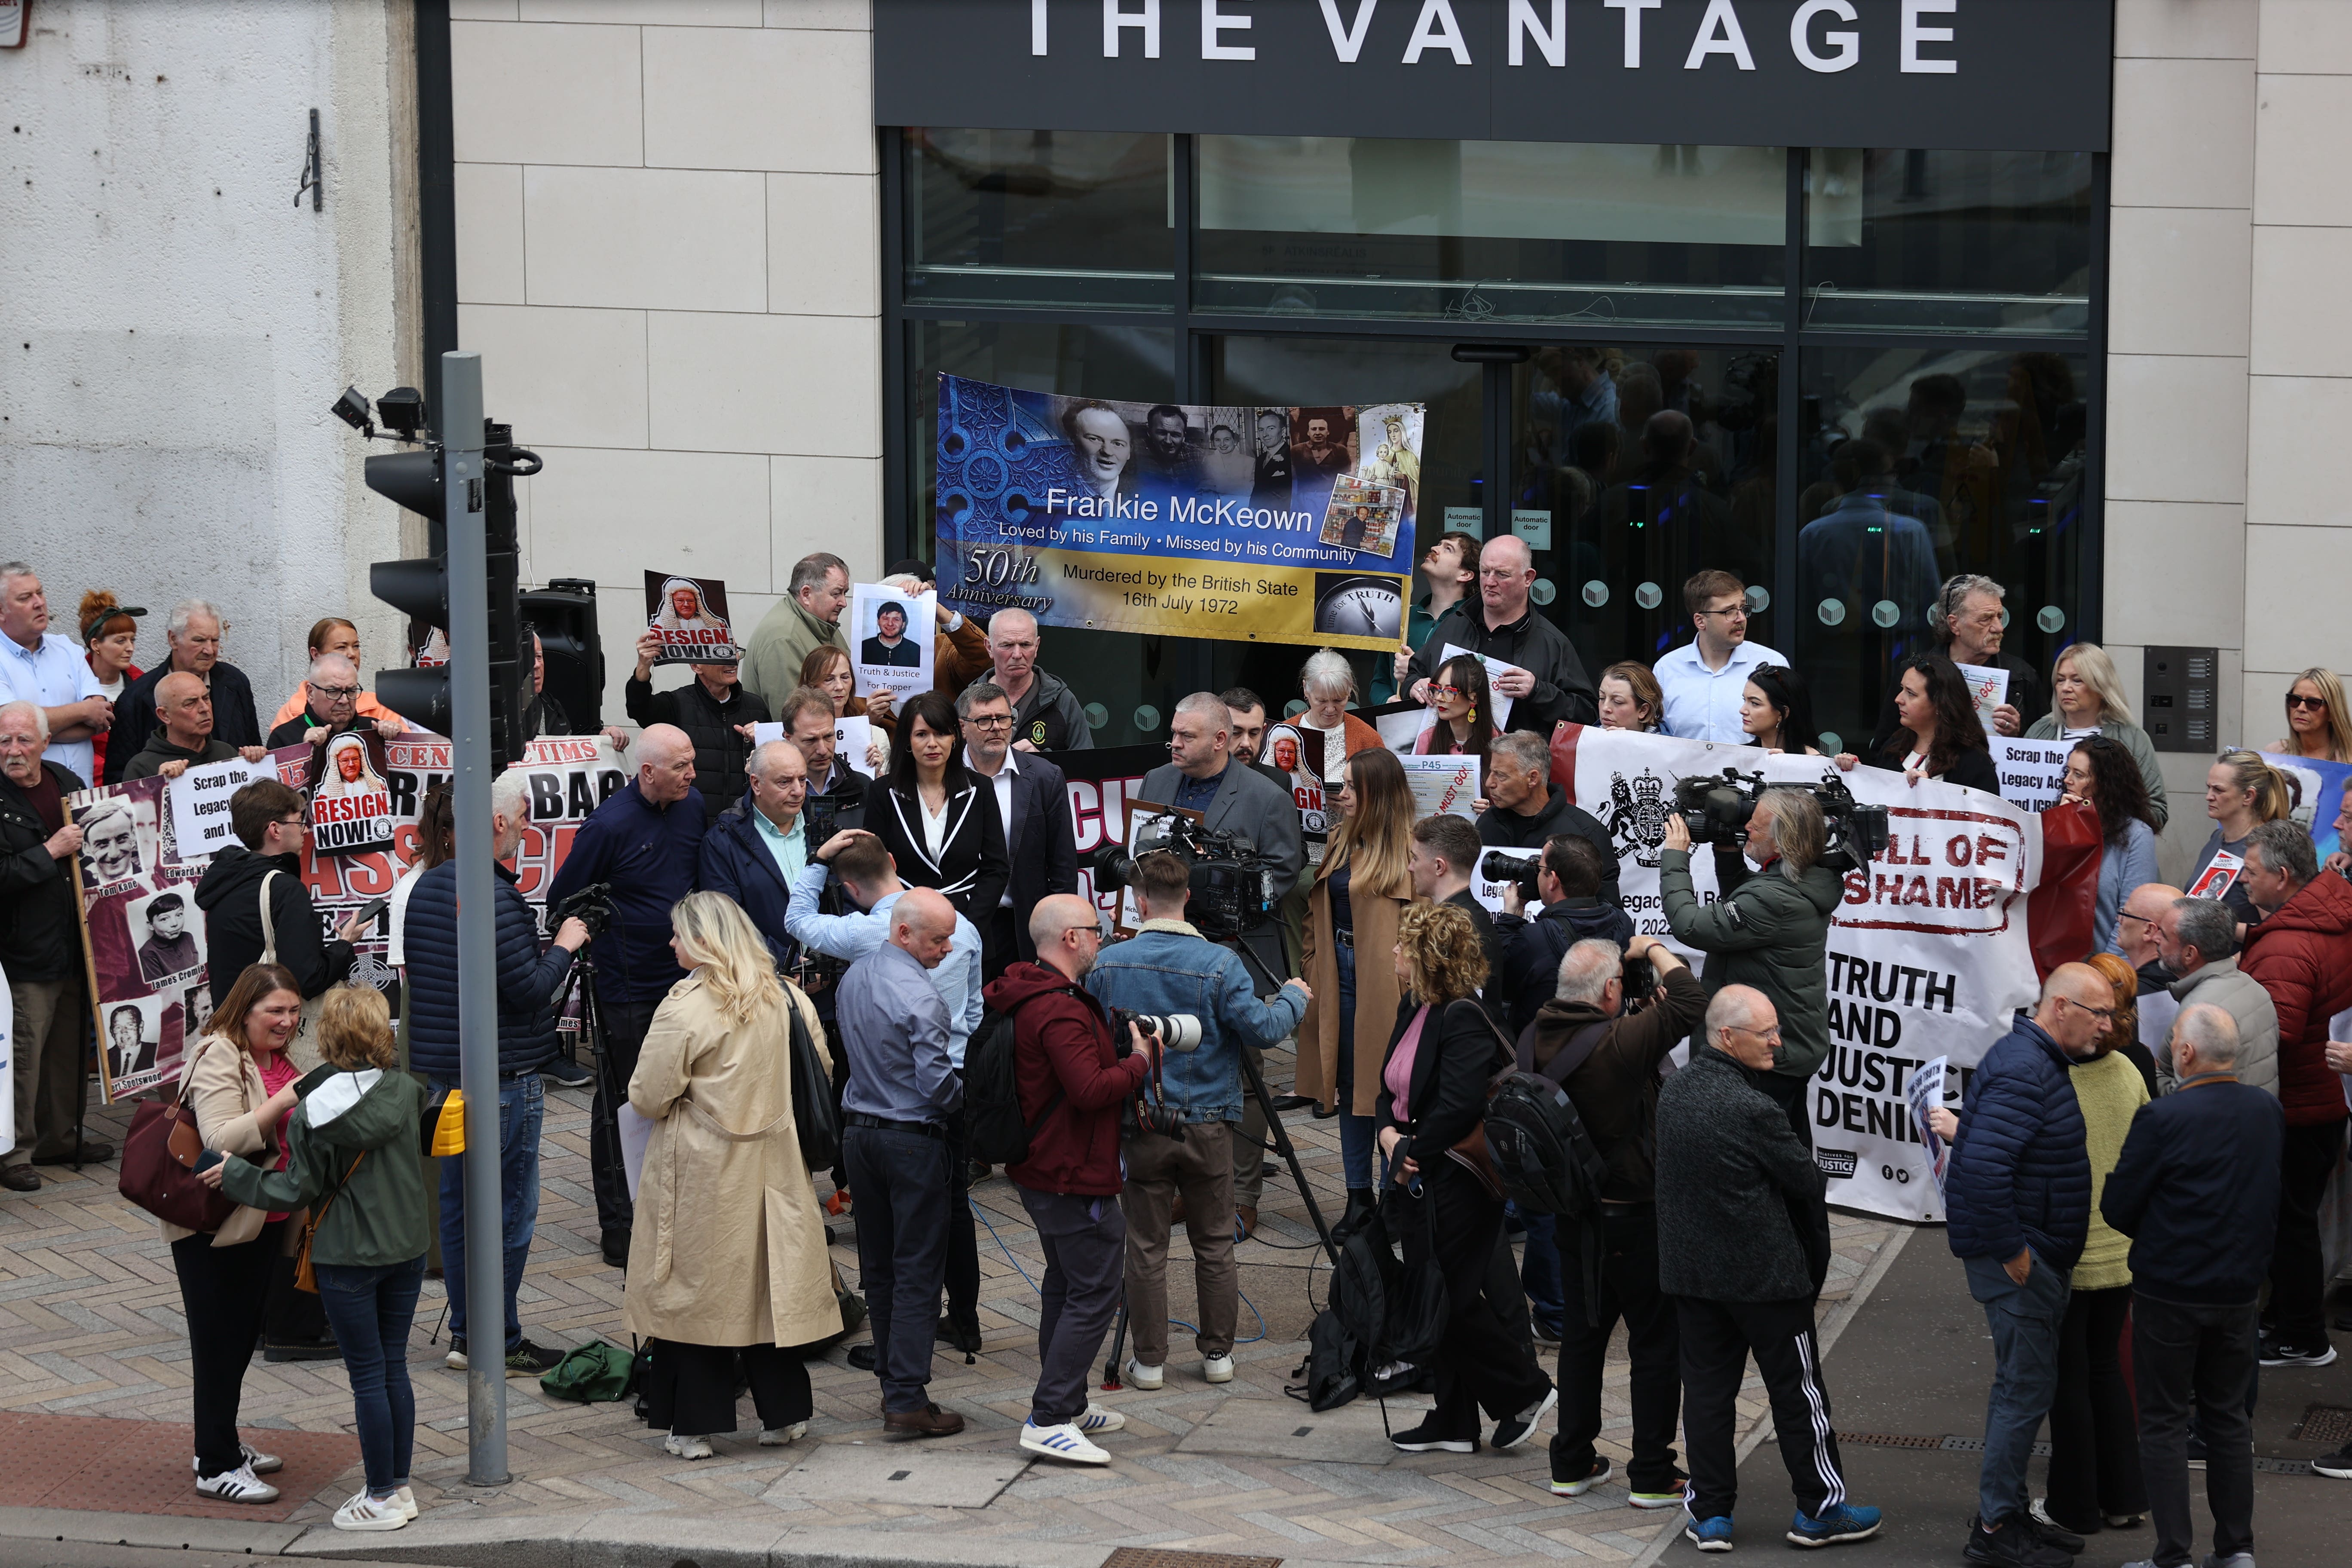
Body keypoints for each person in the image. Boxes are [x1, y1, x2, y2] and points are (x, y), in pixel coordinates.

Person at [1658, 985, 1878, 1553]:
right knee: (1798, 1392)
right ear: (1728, 1038)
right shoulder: (1755, 1108)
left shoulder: (1674, 1093)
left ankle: (1710, 1516)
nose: (1779, 1042)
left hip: (1694, 1276)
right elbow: (1805, 1180)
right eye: (1767, 1033)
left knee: (1707, 1394)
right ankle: (1820, 1509)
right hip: (1767, 1280)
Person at [202, 987, 432, 1532]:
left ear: (328, 1036)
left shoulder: (313, 1113)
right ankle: (397, 1488)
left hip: (349, 1256)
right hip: (407, 1249)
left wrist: (235, 1174)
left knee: (368, 1376)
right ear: (382, 1033)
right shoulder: (406, 1090)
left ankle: (378, 1497)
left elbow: (295, 1190)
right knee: (394, 1367)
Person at [624, 892, 839, 1459]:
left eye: (678, 934)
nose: (671, 944)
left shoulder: (686, 1006)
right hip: (776, 1166)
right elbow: (821, 1069)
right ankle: (785, 1414)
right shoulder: (788, 997)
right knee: (771, 1291)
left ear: (702, 941)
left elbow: (647, 1096)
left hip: (703, 1172)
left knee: (695, 1297)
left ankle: (694, 1425)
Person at [1087, 853, 1309, 1391]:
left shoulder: (1110, 964)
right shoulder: (1221, 963)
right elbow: (1262, 1029)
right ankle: (1217, 1356)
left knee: (1145, 1245)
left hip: (1142, 1120)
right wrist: (1295, 999)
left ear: (1139, 903)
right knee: (1214, 1243)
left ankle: (1150, 1361)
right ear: (1187, 897)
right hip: (1209, 1122)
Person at [404, 769, 588, 1375]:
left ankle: (467, 1331)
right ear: (498, 822)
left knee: (459, 1209)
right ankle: (497, 1338)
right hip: (503, 1080)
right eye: (526, 818)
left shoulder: (429, 887)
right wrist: (565, 943)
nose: (528, 831)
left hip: (447, 1080)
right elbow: (532, 990)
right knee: (507, 1212)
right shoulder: (494, 895)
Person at [1374, 900, 1560, 1456]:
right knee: (1439, 1295)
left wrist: (1411, 1151)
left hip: (1457, 1178)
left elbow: (1456, 1106)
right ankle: (1455, 1420)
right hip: (1418, 1172)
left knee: (1450, 1299)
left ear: (1427, 957)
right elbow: (1388, 1088)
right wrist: (1390, 1138)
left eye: (1404, 946)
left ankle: (1525, 1391)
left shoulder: (1462, 1016)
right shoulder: (1416, 1008)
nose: (1394, 952)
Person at [2100, 1003, 2283, 1568]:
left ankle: (2173, 1554)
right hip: (2238, 1291)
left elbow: (2118, 1206)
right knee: (2228, 1419)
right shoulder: (2266, 1110)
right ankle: (2236, 1550)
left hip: (2170, 1290)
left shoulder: (2163, 1118)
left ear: (2185, 1052)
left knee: (2162, 1421)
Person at [787, 831, 984, 1351]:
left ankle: (896, 1349)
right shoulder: (956, 922)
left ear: (849, 889)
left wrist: (815, 861)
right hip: (953, 1086)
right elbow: (977, 1009)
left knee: (893, 1231)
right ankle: (964, 1320)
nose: (941, 952)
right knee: (954, 1209)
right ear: (895, 861)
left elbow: (796, 921)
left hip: (890, 1104)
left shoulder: (866, 933)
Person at [1532, 935, 1706, 1507]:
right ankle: (1653, 1473)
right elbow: (1689, 1000)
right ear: (1610, 991)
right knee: (1655, 1344)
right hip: (1636, 1219)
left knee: (1583, 1338)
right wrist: (1652, 948)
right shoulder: (1620, 1043)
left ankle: (1571, 1462)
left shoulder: (1534, 1035)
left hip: (1575, 1218)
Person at [980, 894, 1150, 1461]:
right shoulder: (1059, 1008)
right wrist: (1140, 1063)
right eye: (1095, 930)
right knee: (1096, 1290)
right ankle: (1050, 1416)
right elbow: (1090, 1090)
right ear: (1070, 939)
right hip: (1073, 1172)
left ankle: (1069, 1402)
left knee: (1066, 1284)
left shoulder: (1027, 991)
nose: (1102, 938)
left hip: (1045, 1167)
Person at [1946, 964, 2105, 1568]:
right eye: (2097, 1014)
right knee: (2023, 1393)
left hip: (2030, 1252)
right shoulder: (2025, 1069)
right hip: (2021, 1261)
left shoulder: (2028, 1059)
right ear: (2060, 1007)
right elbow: (1984, 1167)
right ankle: (1993, 1531)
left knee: (2018, 1389)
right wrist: (2015, 1252)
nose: (2107, 1026)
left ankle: (2006, 1513)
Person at [544, 723, 705, 1267]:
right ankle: (619, 1223)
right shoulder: (608, 826)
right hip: (626, 986)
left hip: (685, 981)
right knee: (624, 1101)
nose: (692, 774)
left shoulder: (693, 806)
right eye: (681, 767)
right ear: (648, 771)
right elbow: (562, 898)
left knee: (682, 1096)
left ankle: (675, 1212)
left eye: (692, 763)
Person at [163, 962, 309, 1504]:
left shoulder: (268, 1054)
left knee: (241, 1336)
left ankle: (220, 1442)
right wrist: (287, 1099)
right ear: (244, 1010)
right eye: (275, 1011)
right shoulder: (220, 1053)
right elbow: (220, 1138)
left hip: (261, 1218)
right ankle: (215, 1466)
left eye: (294, 1011)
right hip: (215, 1222)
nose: (287, 1021)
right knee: (218, 1341)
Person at [833, 887, 968, 1439]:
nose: (947, 949)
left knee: (881, 1268)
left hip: (860, 1137)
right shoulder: (923, 999)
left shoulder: (854, 978)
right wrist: (966, 1098)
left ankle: (895, 1383)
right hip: (911, 1141)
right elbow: (939, 1087)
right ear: (904, 932)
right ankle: (907, 1400)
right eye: (939, 940)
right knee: (916, 1270)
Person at [2034, 951, 2151, 1542]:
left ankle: (2073, 1506)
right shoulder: (2130, 1075)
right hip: (2122, 1251)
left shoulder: (2050, 1079)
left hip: (2067, 1252)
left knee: (2067, 1378)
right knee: (2105, 1370)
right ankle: (2126, 1496)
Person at [1660, 787, 1843, 1147]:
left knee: (1757, 1165)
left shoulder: (1776, 899)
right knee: (1789, 1155)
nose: (1746, 828)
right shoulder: (1802, 879)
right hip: (1787, 1047)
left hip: (1767, 1058)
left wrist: (1675, 857)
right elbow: (1746, 897)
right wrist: (1727, 851)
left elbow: (1690, 925)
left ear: (1782, 841)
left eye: (1755, 828)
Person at [2233, 818, 2352, 1369]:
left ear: (2282, 877)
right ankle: (2287, 1320)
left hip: (2299, 1102)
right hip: (2324, 1096)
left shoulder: (2288, 942)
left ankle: (2301, 1334)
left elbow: (2273, 1029)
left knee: (2289, 1221)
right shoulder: (2334, 909)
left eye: (2251, 873)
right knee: (2296, 1217)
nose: (2242, 883)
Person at [1298, 744, 1415, 1241]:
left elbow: (1428, 924)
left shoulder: (1413, 848)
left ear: (1376, 795)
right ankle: (1356, 1196)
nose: (1339, 795)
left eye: (1349, 787)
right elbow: (1315, 909)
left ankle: (1393, 1199)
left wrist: (1407, 981)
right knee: (1348, 1087)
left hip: (1388, 981)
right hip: (1338, 973)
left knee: (1390, 1090)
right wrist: (1312, 965)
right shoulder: (1340, 839)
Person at [1136, 691, 1305, 995]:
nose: (1175, 743)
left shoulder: (1269, 797)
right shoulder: (1155, 780)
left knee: (1235, 1044)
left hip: (1232, 956)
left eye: (1187, 736)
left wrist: (1212, 896)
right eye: (1174, 733)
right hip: (1160, 946)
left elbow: (1282, 873)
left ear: (1219, 740)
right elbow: (1139, 850)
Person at [0, 701, 102, 1188]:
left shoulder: (65, 781)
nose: (14, 751)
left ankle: (60, 1138)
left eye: (23, 740)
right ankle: (16, 1153)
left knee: (67, 1052)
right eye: (4, 741)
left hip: (73, 944)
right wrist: (50, 852)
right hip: (22, 950)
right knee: (24, 1055)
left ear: (44, 743)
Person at [195, 778, 366, 1008]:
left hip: (233, 1027)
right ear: (275, 830)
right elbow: (307, 980)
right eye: (299, 822)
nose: (306, 830)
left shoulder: (227, 880)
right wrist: (345, 945)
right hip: (271, 1030)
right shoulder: (284, 888)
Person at [1404, 535, 1597, 729]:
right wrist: (1415, 686)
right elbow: (1414, 674)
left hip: (1515, 758)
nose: (1490, 582)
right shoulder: (1455, 624)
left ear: (1528, 578)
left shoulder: (1550, 642)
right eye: (1485, 572)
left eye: (1502, 575)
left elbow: (1588, 712)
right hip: (1449, 755)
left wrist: (1538, 690)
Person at [957, 680, 1076, 976]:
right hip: (957, 926)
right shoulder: (944, 777)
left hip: (1022, 928)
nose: (997, 728)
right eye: (984, 721)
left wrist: (1057, 934)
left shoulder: (1045, 777)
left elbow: (1063, 865)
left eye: (1004, 719)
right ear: (962, 728)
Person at [860, 689, 1008, 919]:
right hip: (905, 926)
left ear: (955, 737)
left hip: (966, 925)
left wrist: (970, 927)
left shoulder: (981, 789)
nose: (932, 744)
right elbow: (873, 870)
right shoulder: (883, 793)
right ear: (908, 740)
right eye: (921, 734)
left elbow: (996, 868)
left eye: (940, 733)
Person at [1868, 574, 2041, 745]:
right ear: (1954, 624)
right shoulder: (1915, 672)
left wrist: (2017, 733)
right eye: (1986, 619)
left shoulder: (2022, 677)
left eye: (1999, 617)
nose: (1998, 627)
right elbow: (1885, 746)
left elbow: (2042, 752)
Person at [105, 597, 263, 784]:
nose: (210, 650)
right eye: (199, 640)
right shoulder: (136, 698)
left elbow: (253, 745)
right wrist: (156, 784)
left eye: (215, 640)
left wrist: (256, 756)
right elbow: (119, 782)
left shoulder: (235, 682)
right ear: (173, 640)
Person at [1492, 832, 1634, 1036]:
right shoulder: (1623, 922)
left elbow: (1502, 986)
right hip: (1606, 1048)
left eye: (1540, 869)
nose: (1535, 874)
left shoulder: (1535, 938)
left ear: (1553, 881)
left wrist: (1510, 919)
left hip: (1547, 1054)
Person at [626, 631, 770, 824]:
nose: (732, 661)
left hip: (743, 827)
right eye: (720, 653)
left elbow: (777, 764)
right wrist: (644, 665)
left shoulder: (756, 707)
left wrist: (765, 738)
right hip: (690, 825)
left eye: (734, 651)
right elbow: (639, 708)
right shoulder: (678, 703)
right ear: (696, 665)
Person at [2025, 643, 2169, 828]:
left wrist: (2094, 815)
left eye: (2077, 680)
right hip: (2048, 849)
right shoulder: (2039, 732)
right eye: (2061, 680)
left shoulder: (2132, 739)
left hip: (2107, 851)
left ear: (2101, 687)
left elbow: (2156, 811)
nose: (2066, 688)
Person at [698, 738, 813, 971]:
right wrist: (785, 962)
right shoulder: (724, 842)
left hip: (828, 983)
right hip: (762, 985)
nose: (798, 791)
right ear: (756, 784)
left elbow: (849, 900)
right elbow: (727, 926)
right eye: (785, 782)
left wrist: (830, 962)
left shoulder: (822, 827)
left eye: (802, 779)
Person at [0, 562, 112, 787]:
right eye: (25, 598)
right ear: (2, 612)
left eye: (40, 593)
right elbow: (8, 728)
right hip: (26, 800)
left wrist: (36, 732)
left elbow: (101, 717)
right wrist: (83, 710)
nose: (39, 603)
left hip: (82, 791)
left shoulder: (68, 649)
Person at [2155, 895, 2278, 1097]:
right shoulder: (2255, 988)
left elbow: (2185, 1099)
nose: (2155, 939)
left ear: (2189, 954)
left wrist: (2152, 1072)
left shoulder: (2198, 1014)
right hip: (2259, 1122)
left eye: (2165, 936)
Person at [1476, 730, 1618, 900]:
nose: (1489, 783)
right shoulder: (1487, 823)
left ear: (1533, 778)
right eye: (1491, 772)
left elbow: (1608, 912)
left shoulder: (1588, 833)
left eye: (1501, 776)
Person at [1653, 571, 1786, 743]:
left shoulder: (1772, 664)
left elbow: (1790, 731)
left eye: (1743, 609)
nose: (1741, 618)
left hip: (1754, 770)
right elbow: (1653, 733)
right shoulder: (1667, 668)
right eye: (1729, 612)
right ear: (1700, 621)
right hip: (1682, 770)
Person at [2061, 735, 2161, 956]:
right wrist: (2062, 826)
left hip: (2105, 968)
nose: (2068, 780)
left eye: (2079, 775)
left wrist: (2106, 973)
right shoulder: (2058, 824)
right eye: (2068, 772)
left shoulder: (2137, 835)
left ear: (2105, 784)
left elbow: (2132, 919)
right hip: (2054, 964)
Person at [1285, 648, 1384, 861]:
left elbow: (1387, 799)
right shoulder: (1285, 733)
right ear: (1306, 690)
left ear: (1350, 691)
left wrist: (1358, 806)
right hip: (1295, 852)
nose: (1330, 709)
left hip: (1350, 853)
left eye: (1339, 700)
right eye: (1321, 701)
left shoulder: (1367, 737)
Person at [1851, 652, 1997, 794]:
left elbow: (1985, 816)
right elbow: (1876, 800)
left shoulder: (1973, 762)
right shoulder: (1895, 746)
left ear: (1940, 705)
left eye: (1911, 693)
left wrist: (1931, 795)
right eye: (1902, 689)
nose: (1898, 699)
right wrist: (1856, 775)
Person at [1375, 529, 1481, 702]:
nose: (1435, 548)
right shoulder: (1403, 618)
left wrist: (1415, 671)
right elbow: (1380, 681)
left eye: (1448, 549)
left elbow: (1474, 689)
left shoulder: (1472, 624)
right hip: (1399, 724)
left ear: (1465, 574)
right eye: (1439, 544)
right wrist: (1387, 701)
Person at [2190, 750, 2291, 923]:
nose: (2209, 797)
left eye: (2218, 790)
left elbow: (2273, 928)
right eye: (2209, 788)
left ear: (2248, 796)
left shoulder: (2265, 849)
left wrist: (2216, 928)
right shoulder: (2217, 838)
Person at [742, 551, 848, 708]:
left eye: (845, 593)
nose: (844, 602)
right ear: (806, 594)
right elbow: (793, 719)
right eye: (836, 594)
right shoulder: (784, 638)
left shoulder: (822, 623)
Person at [269, 618, 409, 736]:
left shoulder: (379, 706)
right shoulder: (291, 714)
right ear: (316, 655)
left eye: (356, 646)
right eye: (342, 647)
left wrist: (394, 736)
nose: (352, 654)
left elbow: (408, 754)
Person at [978, 607, 1092, 751]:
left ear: (1037, 646)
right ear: (989, 648)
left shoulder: (1062, 701)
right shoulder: (969, 701)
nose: (1017, 654)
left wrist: (1041, 764)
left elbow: (1087, 768)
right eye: (1007, 645)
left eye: (1026, 645)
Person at [120, 671, 269, 779]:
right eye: (190, 703)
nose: (205, 708)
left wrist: (257, 764)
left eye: (206, 698)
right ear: (165, 715)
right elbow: (140, 820)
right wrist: (159, 787)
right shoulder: (142, 768)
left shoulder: (226, 753)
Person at [1407, 812, 1503, 980]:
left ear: (1439, 866)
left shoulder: (1453, 929)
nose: (1410, 867)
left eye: (1415, 858)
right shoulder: (1473, 917)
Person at [881, 562, 992, 696]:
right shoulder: (863, 657)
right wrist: (870, 716)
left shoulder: (944, 649)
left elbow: (983, 659)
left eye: (910, 603)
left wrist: (935, 606)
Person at [2117, 880, 2184, 1087]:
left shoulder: (2122, 999)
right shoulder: (2193, 984)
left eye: (2125, 914)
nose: (2119, 919)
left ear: (2149, 931)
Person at [266, 654, 403, 751]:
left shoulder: (372, 730)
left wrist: (397, 741)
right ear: (310, 693)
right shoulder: (283, 738)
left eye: (351, 691)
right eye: (333, 692)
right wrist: (302, 751)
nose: (344, 700)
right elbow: (278, 791)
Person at [79, 589, 144, 783]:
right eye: (121, 641)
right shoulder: (72, 685)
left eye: (132, 640)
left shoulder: (143, 685)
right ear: (96, 645)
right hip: (87, 784)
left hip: (135, 784)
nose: (130, 648)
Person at [800, 644, 897, 756]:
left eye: (845, 677)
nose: (840, 687)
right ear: (812, 684)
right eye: (829, 679)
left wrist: (878, 773)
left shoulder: (876, 735)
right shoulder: (797, 733)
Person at [778, 683, 865, 800]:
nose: (823, 750)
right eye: (811, 740)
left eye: (828, 737)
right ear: (788, 738)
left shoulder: (864, 787)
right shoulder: (770, 796)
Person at [1413, 653, 1494, 761]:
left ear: (1474, 698)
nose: (1439, 698)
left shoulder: (1500, 744)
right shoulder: (1426, 740)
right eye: (1437, 689)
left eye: (1450, 691)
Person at [2264, 665, 2352, 765]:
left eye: (2313, 703)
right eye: (2295, 700)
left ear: (2332, 712)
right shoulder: (2274, 755)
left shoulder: (2348, 760)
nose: (2301, 708)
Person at [1738, 665, 1821, 756]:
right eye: (1744, 700)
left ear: (1783, 714)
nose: (1743, 710)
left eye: (1755, 703)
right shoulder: (1739, 757)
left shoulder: (1815, 763)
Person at [137, 890, 200, 984]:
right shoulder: (147, 953)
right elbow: (159, 990)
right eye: (164, 919)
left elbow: (197, 969)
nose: (175, 924)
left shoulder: (188, 937)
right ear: (151, 926)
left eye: (179, 915)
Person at [1594, 660, 1664, 733]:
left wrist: (1628, 743)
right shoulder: (1584, 738)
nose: (1605, 708)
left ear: (1643, 710)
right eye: (1602, 698)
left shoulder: (1668, 743)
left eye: (1618, 702)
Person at [861, 601, 922, 669]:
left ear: (903, 625)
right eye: (885, 619)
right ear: (878, 622)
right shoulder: (864, 648)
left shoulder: (916, 651)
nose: (890, 624)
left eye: (896, 620)